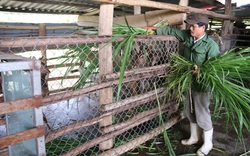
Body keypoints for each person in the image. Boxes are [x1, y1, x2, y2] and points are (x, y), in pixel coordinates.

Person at [148, 13, 220, 156]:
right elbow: (173, 31)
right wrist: (155, 29)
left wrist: (200, 72)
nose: (190, 28)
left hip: (201, 85)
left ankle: (208, 143)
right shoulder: (188, 35)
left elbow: (215, 69)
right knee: (189, 110)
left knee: (202, 113)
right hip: (188, 83)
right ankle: (194, 137)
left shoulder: (211, 46)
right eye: (190, 25)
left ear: (203, 28)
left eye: (193, 26)